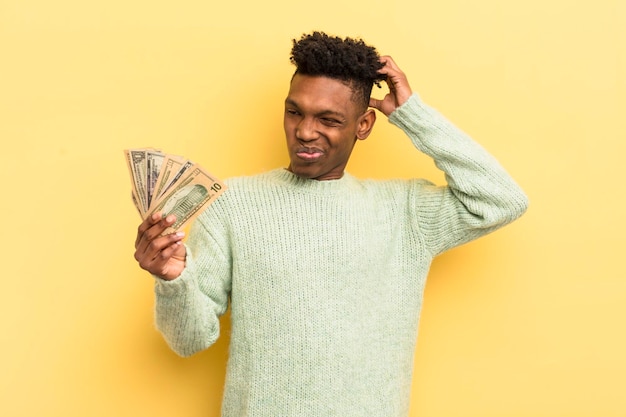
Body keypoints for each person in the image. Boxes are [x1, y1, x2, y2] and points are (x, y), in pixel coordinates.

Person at [134, 31, 528, 417]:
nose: (305, 131)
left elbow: (501, 199)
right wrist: (173, 279)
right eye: (294, 112)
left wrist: (414, 115)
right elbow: (189, 341)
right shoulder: (234, 205)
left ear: (364, 125)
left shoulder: (404, 212)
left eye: (328, 119)